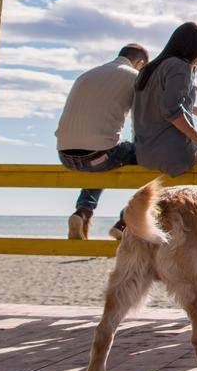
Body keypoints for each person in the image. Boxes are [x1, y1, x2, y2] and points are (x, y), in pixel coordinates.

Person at [56, 42, 149, 240]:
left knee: (101, 158)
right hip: (99, 155)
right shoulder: (135, 77)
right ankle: (125, 222)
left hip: (65, 155)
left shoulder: (87, 75)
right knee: (151, 160)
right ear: (139, 63)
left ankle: (82, 213)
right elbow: (142, 121)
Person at [133, 22, 197, 178]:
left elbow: (162, 102)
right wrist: (196, 135)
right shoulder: (180, 67)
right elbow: (171, 109)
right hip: (173, 156)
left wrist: (196, 110)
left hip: (144, 154)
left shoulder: (149, 68)